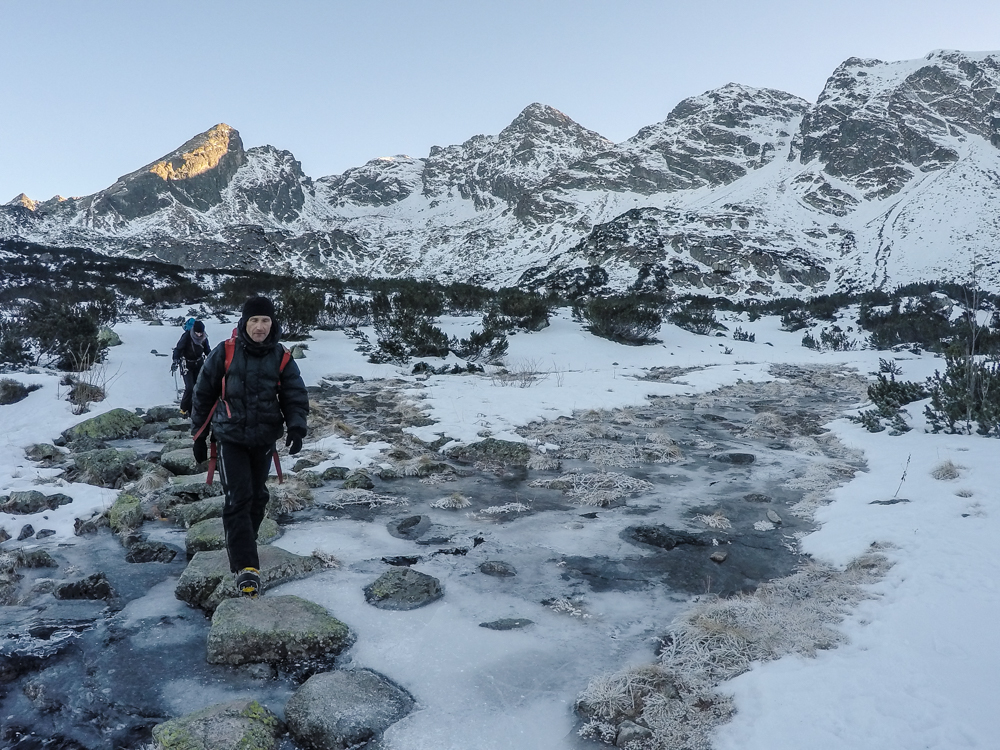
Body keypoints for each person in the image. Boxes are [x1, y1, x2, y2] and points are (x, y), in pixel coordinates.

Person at [190, 297, 308, 598]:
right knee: (238, 497)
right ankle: (246, 567)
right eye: (254, 320)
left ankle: (244, 541)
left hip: (264, 437)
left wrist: (296, 427)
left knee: (259, 497)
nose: (259, 326)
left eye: (265, 321)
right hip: (230, 437)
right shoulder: (225, 352)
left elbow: (295, 394)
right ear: (244, 323)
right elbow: (203, 393)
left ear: (273, 324)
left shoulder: (281, 356)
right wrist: (199, 437)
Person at [171, 320, 211, 416]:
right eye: (197, 332)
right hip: (186, 365)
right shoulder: (187, 336)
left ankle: (194, 408)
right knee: (189, 387)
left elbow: (207, 350)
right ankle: (184, 409)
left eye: (201, 332)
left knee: (198, 387)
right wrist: (176, 359)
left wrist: (212, 358)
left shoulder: (204, 338)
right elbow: (178, 349)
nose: (199, 334)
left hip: (199, 363)